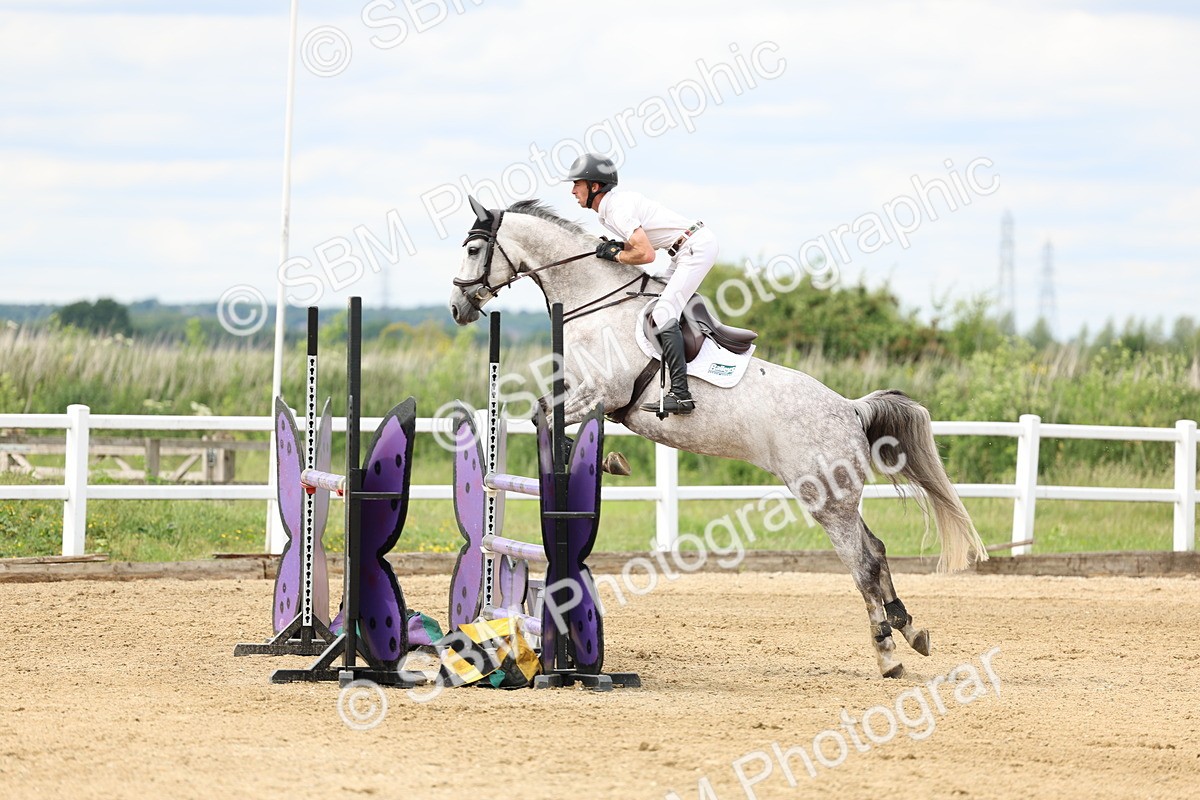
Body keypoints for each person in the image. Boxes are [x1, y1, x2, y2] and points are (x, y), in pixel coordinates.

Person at [566, 153, 718, 416]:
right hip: (683, 250)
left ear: (594, 187)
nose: (572, 191)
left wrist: (617, 255)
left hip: (695, 248)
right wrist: (618, 247)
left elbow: (646, 255)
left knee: (662, 312)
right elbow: (639, 246)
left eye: (577, 184)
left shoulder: (616, 208)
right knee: (651, 296)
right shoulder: (608, 211)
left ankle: (681, 393)